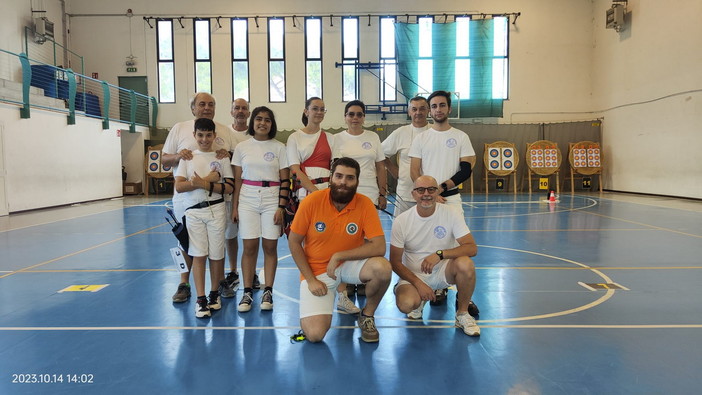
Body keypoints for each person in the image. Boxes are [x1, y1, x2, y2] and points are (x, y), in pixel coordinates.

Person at [288, 157, 392, 343]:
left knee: (382, 268)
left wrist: (339, 256)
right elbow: (294, 242)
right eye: (339, 176)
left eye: (350, 178)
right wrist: (311, 280)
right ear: (331, 178)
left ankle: (367, 315)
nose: (343, 182)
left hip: (350, 266)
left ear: (357, 182)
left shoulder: (365, 203)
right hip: (318, 271)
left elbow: (379, 246)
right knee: (314, 335)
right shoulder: (311, 201)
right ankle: (321, 304)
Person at [287, 97, 359, 315]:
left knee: (337, 242)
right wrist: (316, 194)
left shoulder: (330, 137)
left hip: (330, 194)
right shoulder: (294, 137)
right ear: (306, 111)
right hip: (307, 196)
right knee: (313, 244)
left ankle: (343, 296)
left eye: (322, 109)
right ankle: (312, 283)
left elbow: (336, 167)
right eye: (314, 109)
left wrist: (328, 194)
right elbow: (295, 170)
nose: (318, 112)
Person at [162, 92, 234, 304]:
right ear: (193, 107)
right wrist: (179, 156)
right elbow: (165, 159)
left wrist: (225, 156)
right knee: (187, 242)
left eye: (211, 104)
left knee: (216, 243)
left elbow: (230, 155)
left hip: (214, 199)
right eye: (202, 104)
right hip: (186, 200)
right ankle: (184, 283)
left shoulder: (223, 130)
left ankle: (219, 282)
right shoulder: (179, 128)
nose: (207, 108)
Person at [389, 175, 480, 336]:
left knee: (465, 264)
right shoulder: (402, 221)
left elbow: (472, 248)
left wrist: (440, 254)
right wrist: (418, 283)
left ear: (437, 192)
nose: (426, 194)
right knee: (406, 304)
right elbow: (395, 262)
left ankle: (462, 314)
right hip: (414, 275)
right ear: (413, 194)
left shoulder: (450, 213)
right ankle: (418, 299)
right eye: (420, 190)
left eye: (431, 189)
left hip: (443, 271)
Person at [173, 118, 235, 318]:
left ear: (214, 136)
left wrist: (204, 184)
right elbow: (180, 186)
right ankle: (200, 300)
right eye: (200, 135)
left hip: (216, 210)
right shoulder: (187, 158)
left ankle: (214, 294)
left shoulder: (221, 157)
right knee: (198, 255)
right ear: (194, 135)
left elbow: (229, 187)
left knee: (216, 255)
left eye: (209, 135)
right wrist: (206, 180)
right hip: (193, 212)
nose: (204, 139)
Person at [231, 106, 289, 312]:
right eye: (258, 119)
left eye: (267, 120)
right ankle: (247, 291)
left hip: (272, 198)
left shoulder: (280, 147)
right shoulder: (242, 147)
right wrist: (235, 206)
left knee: (270, 247)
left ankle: (268, 291)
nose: (262, 123)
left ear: (272, 124)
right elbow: (237, 180)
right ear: (252, 122)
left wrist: (282, 207)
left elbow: (285, 180)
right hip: (247, 198)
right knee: (249, 247)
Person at [332, 100, 388, 298]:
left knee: (368, 238)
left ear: (364, 117)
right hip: (346, 194)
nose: (355, 118)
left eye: (359, 114)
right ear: (345, 117)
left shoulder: (372, 137)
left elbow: (381, 167)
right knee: (347, 237)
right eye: (351, 114)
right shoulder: (336, 139)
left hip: (369, 193)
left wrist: (383, 193)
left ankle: (364, 277)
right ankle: (347, 279)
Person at [408, 90, 476, 214]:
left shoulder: (461, 137)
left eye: (442, 105)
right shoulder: (420, 138)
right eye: (434, 106)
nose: (438, 109)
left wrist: (440, 189)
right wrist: (430, 193)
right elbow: (414, 171)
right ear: (430, 111)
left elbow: (466, 171)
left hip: (451, 199)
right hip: (426, 199)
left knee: (458, 233)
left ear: (449, 109)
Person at [221, 98, 254, 297]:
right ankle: (233, 271)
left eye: (244, 108)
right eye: (237, 108)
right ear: (231, 111)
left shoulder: (255, 133)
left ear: (248, 113)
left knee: (251, 236)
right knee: (230, 234)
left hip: (251, 190)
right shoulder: (224, 134)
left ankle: (251, 273)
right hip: (230, 190)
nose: (240, 111)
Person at [381, 96, 430, 217]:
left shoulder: (436, 131)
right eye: (414, 109)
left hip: (431, 195)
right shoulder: (400, 132)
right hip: (405, 194)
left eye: (422, 109)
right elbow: (380, 153)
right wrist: (393, 170)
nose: (418, 112)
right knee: (402, 233)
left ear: (428, 110)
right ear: (409, 112)